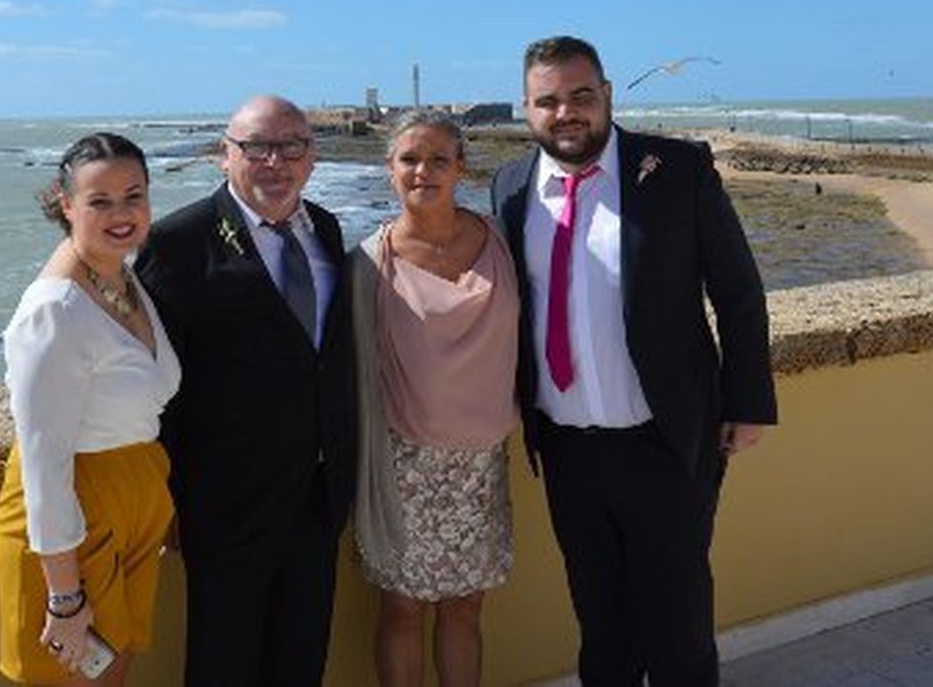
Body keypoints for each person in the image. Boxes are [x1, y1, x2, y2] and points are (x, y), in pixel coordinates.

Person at [492, 36, 778, 687]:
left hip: (667, 442)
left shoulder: (676, 168)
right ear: (527, 109)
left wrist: (748, 401)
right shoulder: (509, 187)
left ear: (608, 95)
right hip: (566, 448)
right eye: (548, 101)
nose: (567, 112)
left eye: (581, 95)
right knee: (601, 626)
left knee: (676, 628)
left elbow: (737, 290)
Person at [134, 95, 356, 687]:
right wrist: (171, 498)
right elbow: (160, 386)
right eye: (256, 147)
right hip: (227, 506)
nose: (275, 161)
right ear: (224, 155)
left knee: (300, 658)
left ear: (311, 157)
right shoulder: (179, 243)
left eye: (292, 146)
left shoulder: (326, 230)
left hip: (317, 496)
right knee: (223, 663)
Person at [0, 133, 181, 685]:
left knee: (112, 674)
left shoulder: (122, 281)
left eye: (134, 196)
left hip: (132, 499)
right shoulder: (52, 311)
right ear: (66, 204)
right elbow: (43, 461)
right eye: (100, 201)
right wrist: (65, 598)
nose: (121, 214)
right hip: (72, 522)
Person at [351, 109, 519, 687]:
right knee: (401, 610)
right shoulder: (369, 264)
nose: (424, 171)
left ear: (461, 169)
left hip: (481, 464)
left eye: (438, 160)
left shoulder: (502, 238)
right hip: (404, 466)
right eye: (410, 160)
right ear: (390, 169)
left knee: (466, 606)